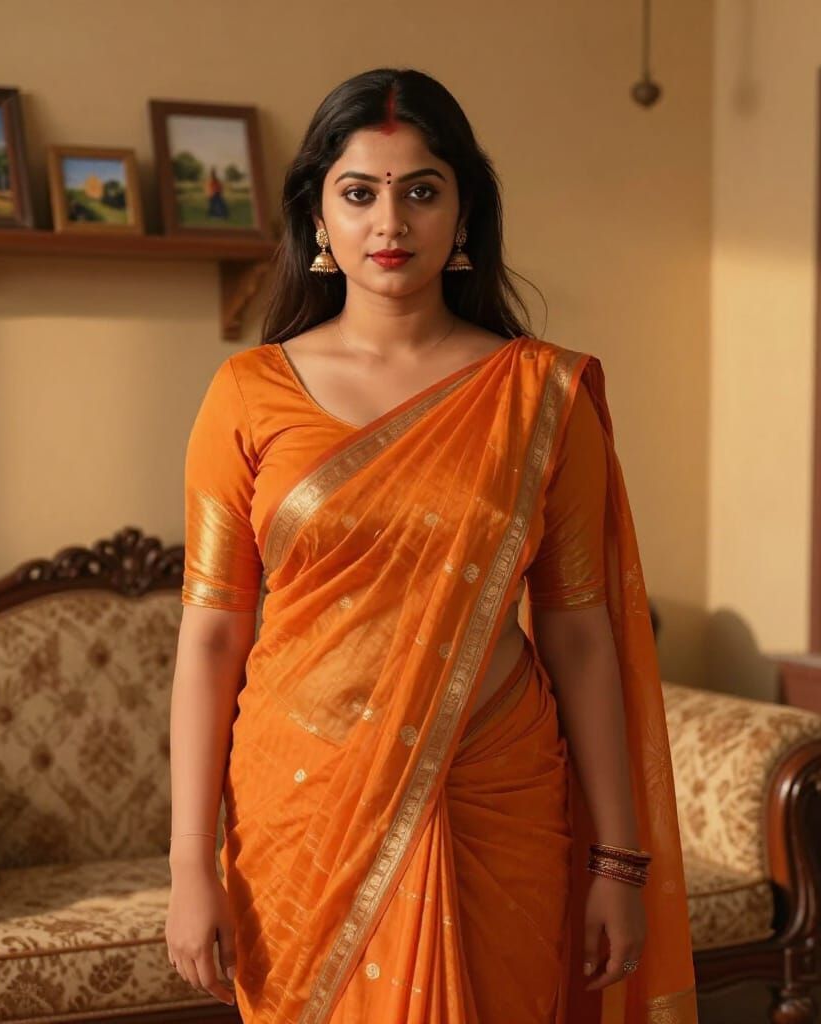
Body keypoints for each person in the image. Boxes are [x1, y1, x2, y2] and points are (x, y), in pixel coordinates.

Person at [166, 67, 698, 1023]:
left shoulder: (541, 397)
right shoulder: (247, 393)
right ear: (317, 221)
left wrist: (619, 857)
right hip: (302, 805)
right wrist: (187, 867)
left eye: (421, 191)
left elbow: (581, 632)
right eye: (359, 193)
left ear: (464, 215)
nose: (390, 223)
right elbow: (211, 636)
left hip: (494, 792)